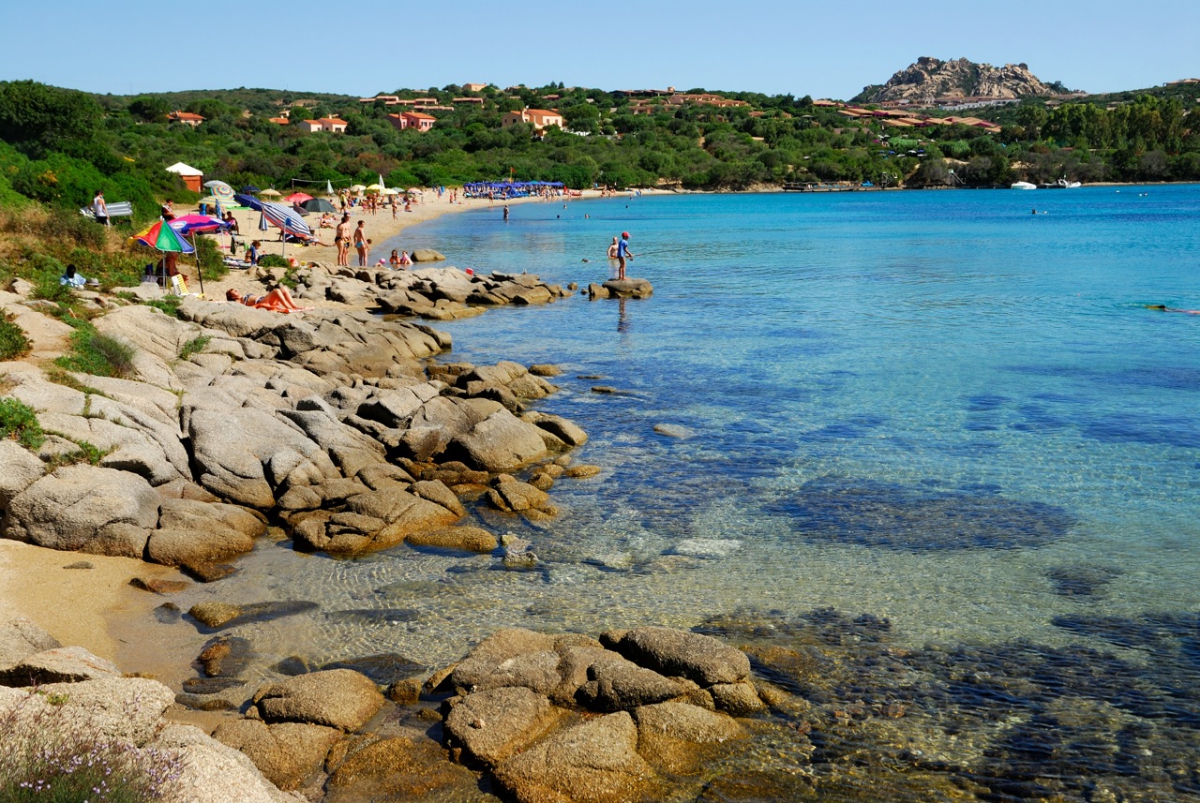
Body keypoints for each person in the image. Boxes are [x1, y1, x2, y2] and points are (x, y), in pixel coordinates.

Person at [225, 287, 311, 313]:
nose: (238, 291)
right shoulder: (238, 302)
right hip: (262, 302)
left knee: (284, 288)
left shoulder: (242, 297)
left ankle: (294, 306)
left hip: (265, 299)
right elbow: (241, 308)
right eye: (235, 292)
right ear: (232, 297)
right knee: (276, 291)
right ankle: (290, 307)